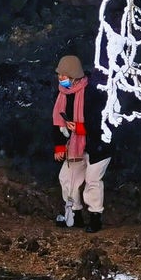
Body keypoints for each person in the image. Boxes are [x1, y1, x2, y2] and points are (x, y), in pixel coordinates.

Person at [52, 55, 111, 233]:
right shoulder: (61, 95)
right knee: (67, 178)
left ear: (74, 77)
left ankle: (95, 218)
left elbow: (100, 125)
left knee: (92, 180)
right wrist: (60, 146)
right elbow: (57, 123)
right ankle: (74, 216)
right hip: (75, 147)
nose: (61, 80)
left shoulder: (93, 94)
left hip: (97, 146)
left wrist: (79, 128)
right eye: (59, 76)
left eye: (64, 77)